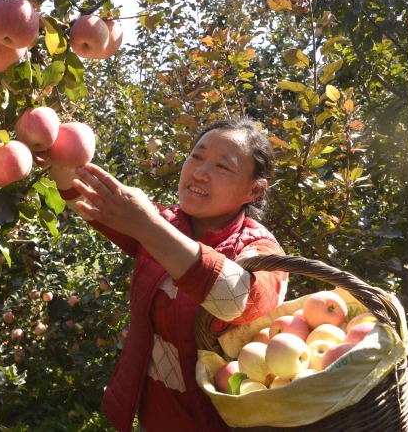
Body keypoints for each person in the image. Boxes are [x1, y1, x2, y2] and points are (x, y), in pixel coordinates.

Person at [50, 117, 289, 431]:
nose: (200, 173)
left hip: (224, 422)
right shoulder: (163, 222)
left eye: (223, 167)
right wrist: (51, 142)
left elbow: (237, 299)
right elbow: (84, 196)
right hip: (159, 417)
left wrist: (147, 226)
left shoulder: (262, 250)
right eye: (197, 156)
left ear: (254, 189)